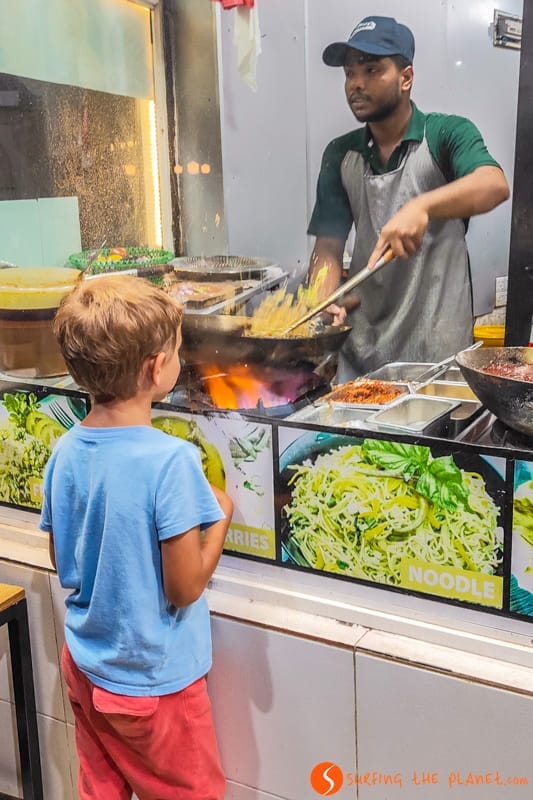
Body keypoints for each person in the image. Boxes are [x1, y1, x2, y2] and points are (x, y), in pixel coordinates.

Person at [39, 274, 233, 800]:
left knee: (100, 790)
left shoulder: (64, 451)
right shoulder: (170, 461)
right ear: (155, 369)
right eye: (175, 351)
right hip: (154, 683)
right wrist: (219, 520)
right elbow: (184, 587)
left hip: (85, 666)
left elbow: (63, 561)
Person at [308, 15, 510, 381]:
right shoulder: (340, 154)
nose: (356, 84)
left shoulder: (446, 133)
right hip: (361, 355)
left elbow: (493, 184)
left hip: (435, 354)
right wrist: (324, 300)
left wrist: (423, 206)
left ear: (406, 78)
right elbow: (327, 247)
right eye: (350, 74)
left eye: (372, 70)